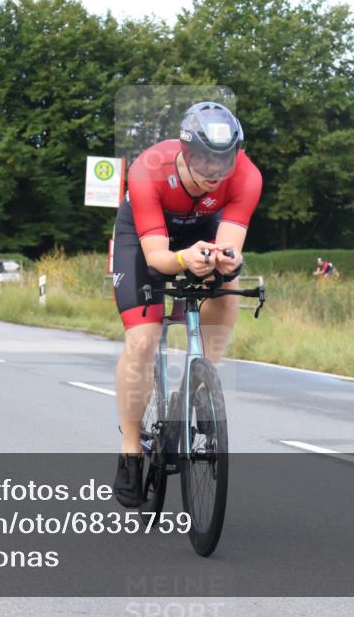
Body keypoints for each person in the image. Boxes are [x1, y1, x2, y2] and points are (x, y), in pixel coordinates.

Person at [110, 102, 262, 507]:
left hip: (204, 230)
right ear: (184, 151)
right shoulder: (148, 170)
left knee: (225, 286)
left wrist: (229, 261)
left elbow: (230, 247)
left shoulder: (247, 177)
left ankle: (201, 380)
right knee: (143, 339)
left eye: (223, 162)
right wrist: (181, 260)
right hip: (146, 238)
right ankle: (130, 450)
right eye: (203, 161)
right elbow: (159, 257)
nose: (214, 172)